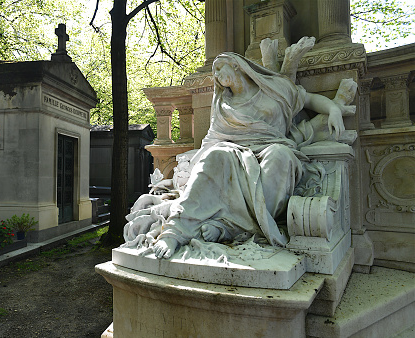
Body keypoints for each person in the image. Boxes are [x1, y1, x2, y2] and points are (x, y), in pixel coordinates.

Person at [124, 45, 346, 260]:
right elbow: (213, 138)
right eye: (215, 72)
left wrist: (334, 108)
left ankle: (229, 227)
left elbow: (309, 100)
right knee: (215, 154)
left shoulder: (276, 88)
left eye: (220, 68)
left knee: (281, 157)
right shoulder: (223, 103)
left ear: (238, 65)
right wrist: (195, 165)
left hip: (273, 147)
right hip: (235, 152)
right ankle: (175, 232)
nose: (217, 75)